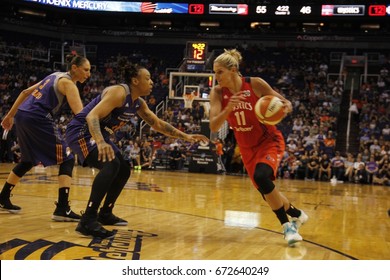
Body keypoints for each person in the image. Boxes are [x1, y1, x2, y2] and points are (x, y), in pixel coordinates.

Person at [65, 64, 209, 239]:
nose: (152, 82)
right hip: (82, 131)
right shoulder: (119, 92)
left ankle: (105, 213)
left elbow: (157, 124)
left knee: (124, 168)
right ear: (135, 80)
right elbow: (91, 116)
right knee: (111, 165)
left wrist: (186, 136)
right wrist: (101, 142)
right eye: (147, 78)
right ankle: (87, 220)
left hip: (99, 134)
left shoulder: (138, 103)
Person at [209, 48, 308, 246]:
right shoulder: (218, 92)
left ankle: (287, 227)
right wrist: (228, 108)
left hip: (268, 141)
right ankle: (297, 214)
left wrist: (286, 105)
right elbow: (213, 126)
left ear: (234, 70)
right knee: (267, 191)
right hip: (246, 148)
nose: (216, 76)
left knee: (263, 177)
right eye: (215, 72)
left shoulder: (255, 84)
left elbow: (282, 101)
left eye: (220, 71)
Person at [0, 54, 91, 222]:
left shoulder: (54, 75)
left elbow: (25, 92)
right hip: (38, 118)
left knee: (27, 161)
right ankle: (62, 208)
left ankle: (3, 197)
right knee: (67, 159)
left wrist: (10, 115)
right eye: (86, 70)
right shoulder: (69, 84)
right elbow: (80, 114)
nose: (88, 74)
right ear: (74, 68)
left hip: (22, 115)